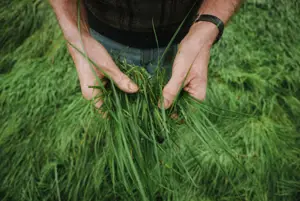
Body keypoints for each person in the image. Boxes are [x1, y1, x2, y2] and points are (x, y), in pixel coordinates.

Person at [50, 0, 241, 109]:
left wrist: (204, 31)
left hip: (185, 39)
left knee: (170, 112)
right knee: (115, 115)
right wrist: (77, 36)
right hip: (102, 39)